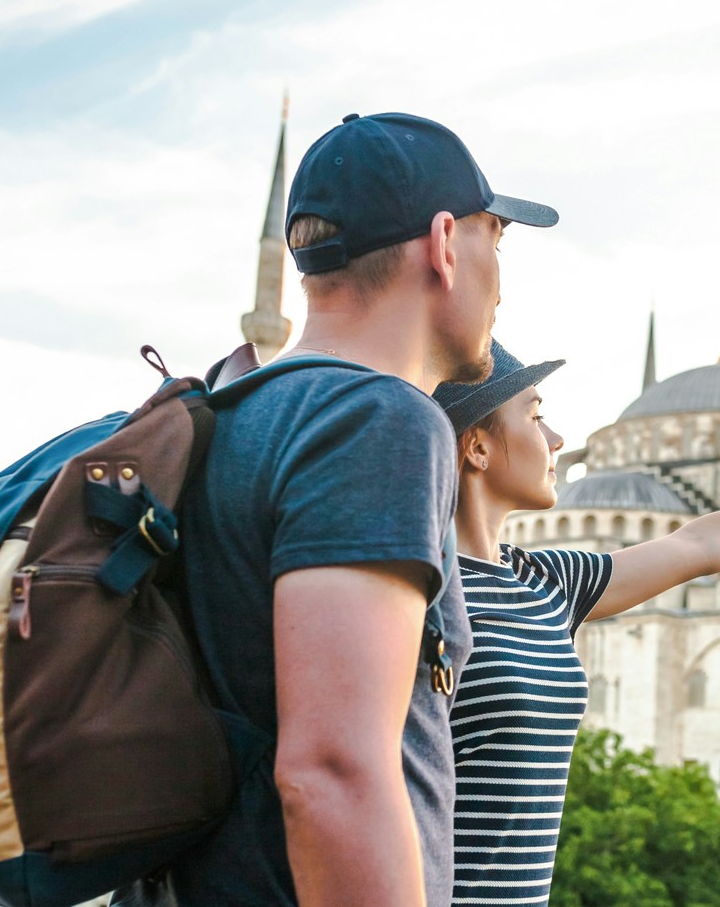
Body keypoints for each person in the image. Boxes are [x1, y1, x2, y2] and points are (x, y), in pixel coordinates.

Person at [116, 113, 558, 907]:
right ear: (445, 242)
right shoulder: (378, 420)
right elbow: (333, 773)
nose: (503, 277)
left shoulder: (232, 405)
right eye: (499, 240)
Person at [431, 342, 720, 906]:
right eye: (535, 417)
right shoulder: (422, 588)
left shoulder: (546, 580)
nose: (557, 439)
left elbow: (701, 544)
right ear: (477, 446)